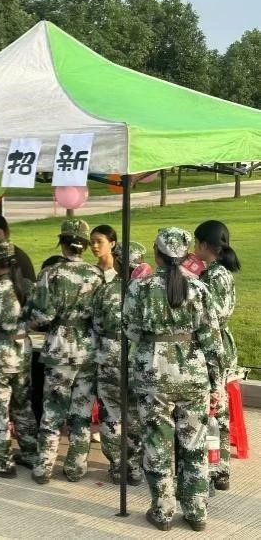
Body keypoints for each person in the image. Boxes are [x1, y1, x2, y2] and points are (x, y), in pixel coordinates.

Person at [124, 227, 222, 532]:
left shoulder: (139, 288)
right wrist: (218, 383)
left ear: (157, 253)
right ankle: (196, 512)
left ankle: (163, 511)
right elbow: (212, 340)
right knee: (194, 443)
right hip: (193, 374)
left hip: (153, 373)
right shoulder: (200, 288)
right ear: (186, 254)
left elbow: (129, 331)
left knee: (157, 443)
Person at [26, 219, 104, 484]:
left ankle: (44, 466)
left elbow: (42, 315)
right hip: (88, 349)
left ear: (62, 243)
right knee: (81, 412)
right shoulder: (96, 275)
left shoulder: (51, 274)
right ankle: (76, 467)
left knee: (52, 409)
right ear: (85, 245)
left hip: (59, 348)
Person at [0, 241, 38, 477]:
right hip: (23, 350)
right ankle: (30, 452)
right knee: (23, 405)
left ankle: (3, 463)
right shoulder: (26, 286)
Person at [92, 241, 146, 485]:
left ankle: (117, 465)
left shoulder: (105, 291)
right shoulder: (147, 291)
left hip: (109, 356)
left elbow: (96, 325)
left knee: (112, 413)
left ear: (117, 261)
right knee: (135, 414)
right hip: (138, 358)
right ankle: (134, 466)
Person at [194, 220, 241, 492]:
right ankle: (221, 469)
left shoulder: (211, 276)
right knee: (219, 409)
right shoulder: (222, 273)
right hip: (223, 344)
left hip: (212, 345)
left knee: (211, 410)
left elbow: (208, 316)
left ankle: (212, 470)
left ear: (203, 244)